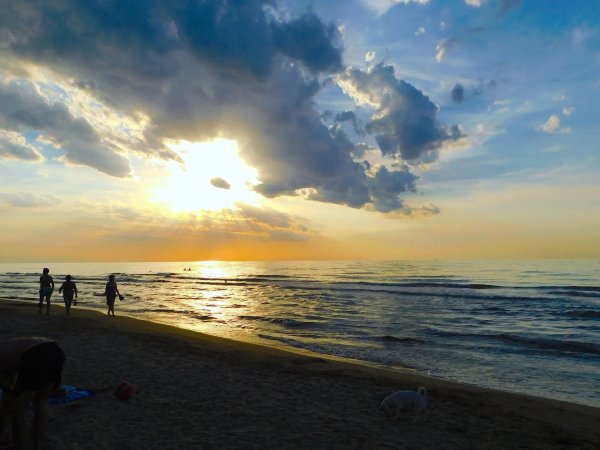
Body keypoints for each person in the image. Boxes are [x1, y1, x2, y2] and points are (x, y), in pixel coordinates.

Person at [0, 337, 65, 450]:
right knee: (40, 402)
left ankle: (20, 447)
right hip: (56, 350)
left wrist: (15, 395)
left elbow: (9, 391)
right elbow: (7, 395)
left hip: (36, 354)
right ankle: (37, 447)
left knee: (18, 409)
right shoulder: (7, 347)